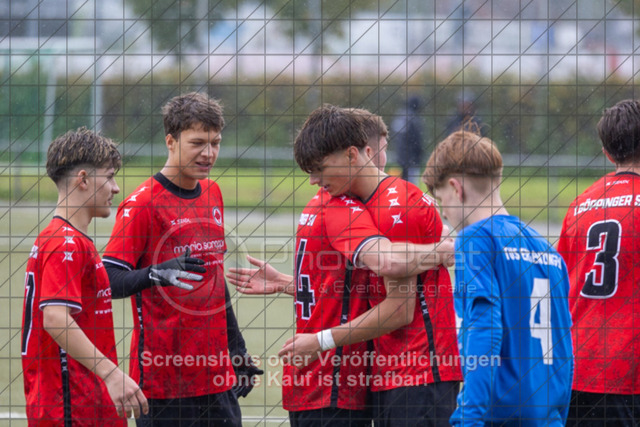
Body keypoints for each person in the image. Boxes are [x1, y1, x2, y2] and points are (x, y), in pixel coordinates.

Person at [227, 105, 454, 426]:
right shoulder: (355, 204)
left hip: (419, 372)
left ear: (352, 155)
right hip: (386, 373)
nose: (314, 181)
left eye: (320, 168)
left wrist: (321, 341)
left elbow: (399, 306)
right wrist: (290, 284)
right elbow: (361, 288)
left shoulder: (396, 205)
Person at [102, 92, 260, 426]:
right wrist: (156, 273)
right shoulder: (142, 204)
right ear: (171, 141)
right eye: (197, 143)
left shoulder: (213, 193)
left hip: (216, 377)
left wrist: (237, 349)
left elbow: (213, 283)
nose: (209, 153)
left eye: (215, 143)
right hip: (164, 382)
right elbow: (109, 281)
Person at [422, 130, 574, 425]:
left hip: (498, 416)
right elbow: (565, 343)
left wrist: (469, 417)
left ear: (456, 188)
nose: (445, 215)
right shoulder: (549, 252)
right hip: (547, 417)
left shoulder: (475, 239)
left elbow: (485, 328)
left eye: (442, 202)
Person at [21, 127, 148, 425]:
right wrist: (112, 374)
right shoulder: (65, 243)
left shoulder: (68, 239)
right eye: (109, 177)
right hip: (70, 406)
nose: (116, 188)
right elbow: (55, 318)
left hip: (83, 402)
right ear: (83, 179)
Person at [557, 99, 640, 425]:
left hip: (578, 367)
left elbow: (560, 286)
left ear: (606, 152)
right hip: (629, 371)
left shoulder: (580, 205)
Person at [391, 95, 425, 183]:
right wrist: (419, 156)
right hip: (411, 159)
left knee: (401, 184)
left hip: (400, 158)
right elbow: (417, 140)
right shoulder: (413, 119)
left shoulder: (400, 116)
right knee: (411, 185)